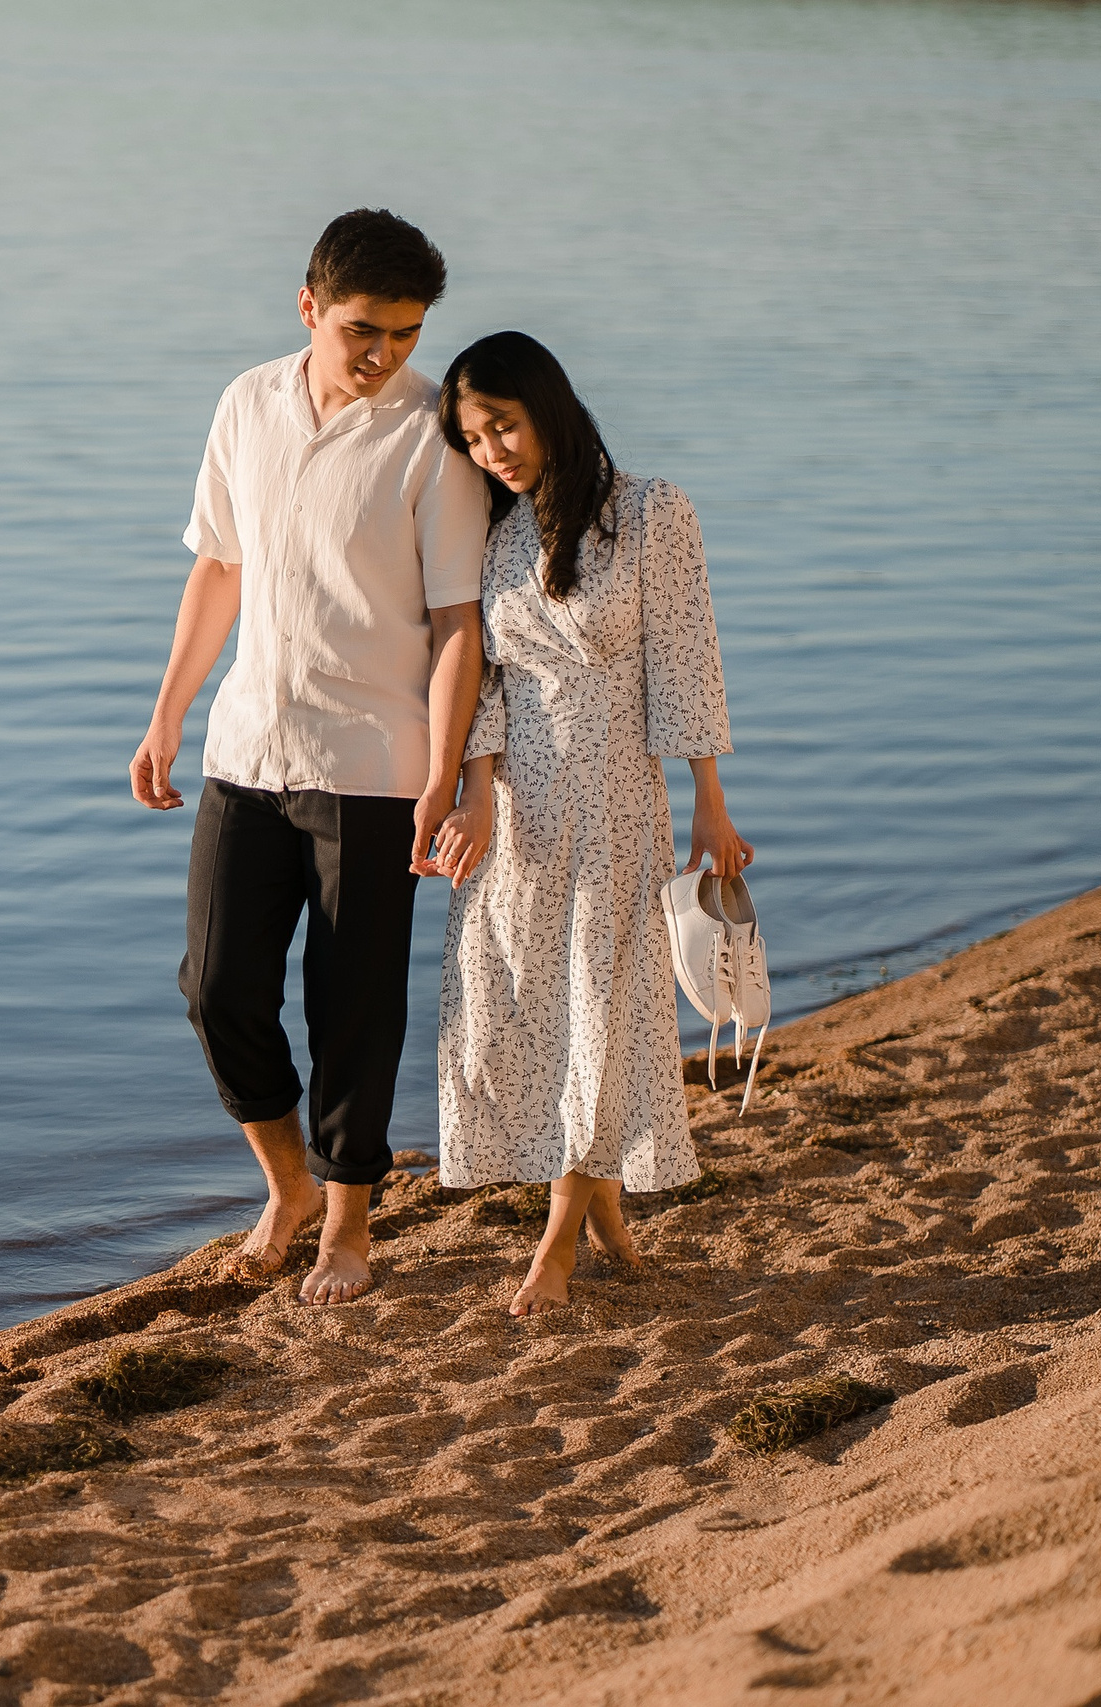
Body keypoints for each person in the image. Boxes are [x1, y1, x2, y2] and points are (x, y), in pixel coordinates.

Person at [130, 209, 490, 1306]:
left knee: (353, 1006)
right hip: (248, 747)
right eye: (361, 330)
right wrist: (165, 717)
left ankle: (346, 1225)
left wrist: (446, 774)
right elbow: (219, 571)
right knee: (215, 987)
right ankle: (284, 1182)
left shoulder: (433, 436)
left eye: (406, 333)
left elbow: (458, 624)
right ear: (307, 307)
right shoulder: (246, 404)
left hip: (376, 765)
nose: (383, 353)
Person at [424, 331, 751, 1317]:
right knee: (520, 1006)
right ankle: (604, 1207)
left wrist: (711, 798)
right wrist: (474, 791)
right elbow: (486, 677)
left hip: (615, 795)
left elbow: (687, 657)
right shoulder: (498, 534)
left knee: (600, 1007)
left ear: (548, 404)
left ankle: (558, 1240)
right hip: (520, 808)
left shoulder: (650, 510)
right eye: (475, 440)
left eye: (504, 426)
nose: (493, 453)